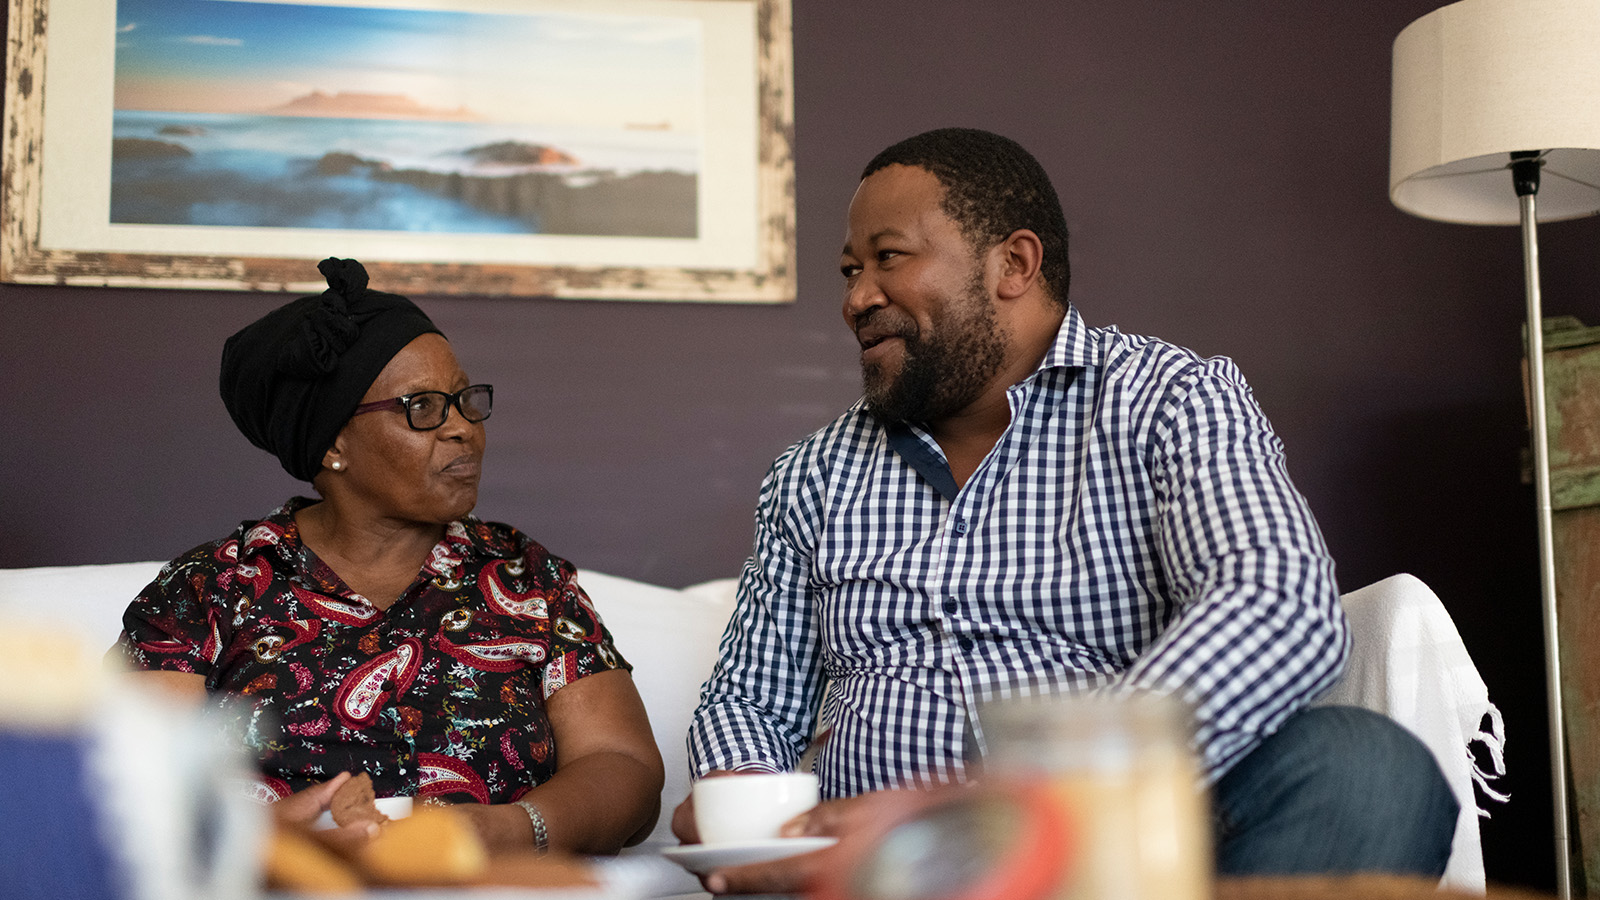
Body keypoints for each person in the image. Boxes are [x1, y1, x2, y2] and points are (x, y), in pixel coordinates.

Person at [674, 128, 1457, 891]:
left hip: (1111, 855)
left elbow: (1276, 601)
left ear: (1013, 263)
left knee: (1368, 768)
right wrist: (741, 800)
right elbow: (750, 697)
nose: (855, 298)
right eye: (849, 269)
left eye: (888, 258)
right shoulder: (811, 474)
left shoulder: (1170, 400)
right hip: (888, 876)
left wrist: (1013, 802)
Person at [115, 258, 663, 856]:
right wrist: (276, 838)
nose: (463, 430)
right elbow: (124, 790)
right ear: (333, 444)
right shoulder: (208, 590)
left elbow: (623, 764)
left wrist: (504, 828)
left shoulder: (526, 578)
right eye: (423, 407)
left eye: (464, 401)